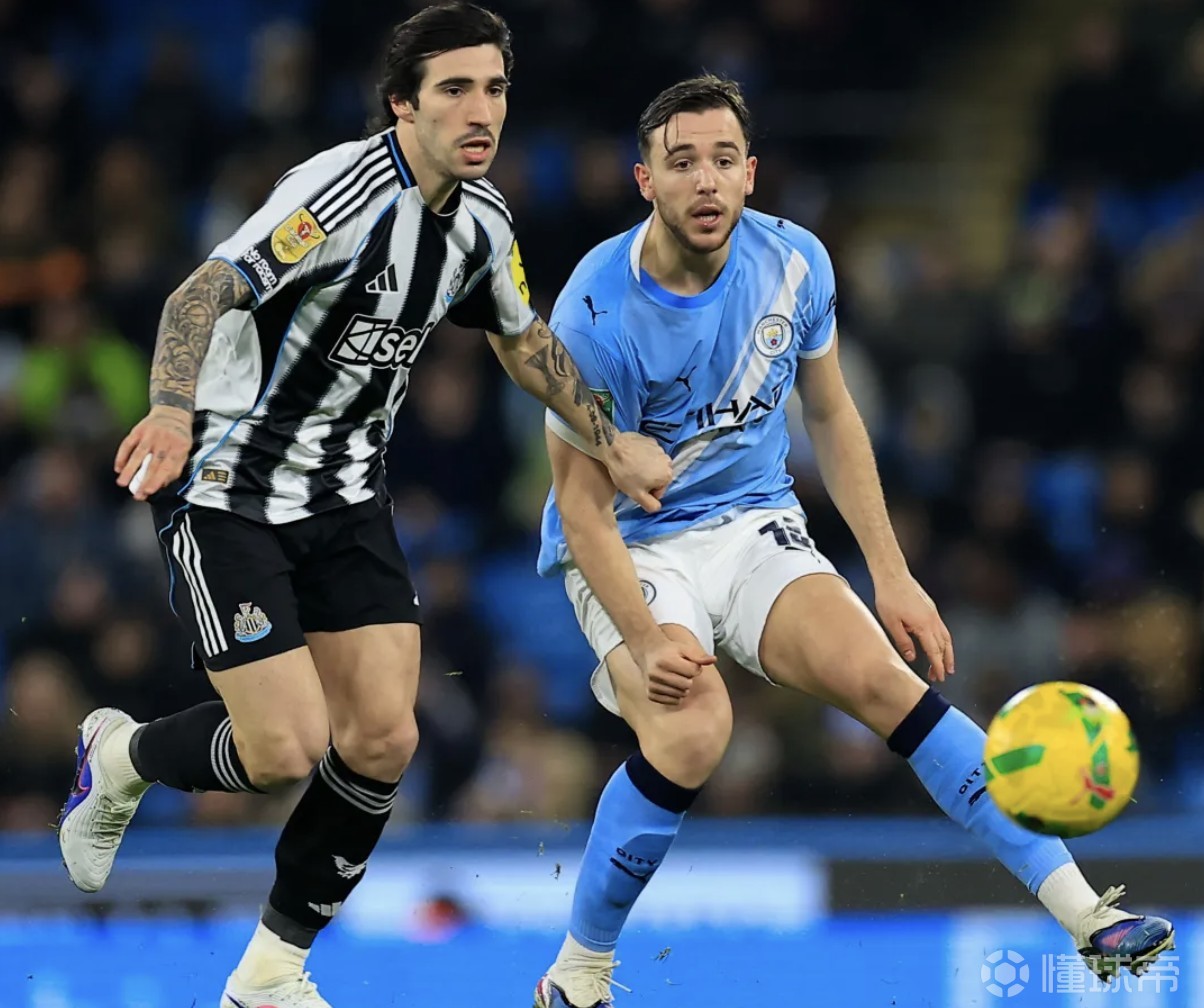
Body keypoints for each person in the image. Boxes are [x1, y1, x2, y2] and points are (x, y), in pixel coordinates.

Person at [55, 6, 672, 1008]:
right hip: (230, 489)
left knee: (384, 738)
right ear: (402, 105)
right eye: (455, 89)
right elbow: (199, 294)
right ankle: (120, 754)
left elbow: (520, 339)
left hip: (346, 499)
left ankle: (270, 972)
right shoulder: (338, 193)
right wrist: (169, 408)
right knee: (282, 750)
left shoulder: (483, 223)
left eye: (495, 89)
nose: (481, 111)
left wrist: (610, 441)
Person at [530, 75, 1175, 1008]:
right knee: (694, 728)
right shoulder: (595, 311)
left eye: (722, 160)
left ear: (751, 173)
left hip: (752, 523)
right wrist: (640, 633)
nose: (705, 180)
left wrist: (893, 575)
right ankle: (579, 972)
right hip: (635, 546)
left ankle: (1088, 918)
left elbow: (831, 415)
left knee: (886, 682)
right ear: (645, 181)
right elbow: (583, 508)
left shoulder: (796, 263)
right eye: (682, 163)